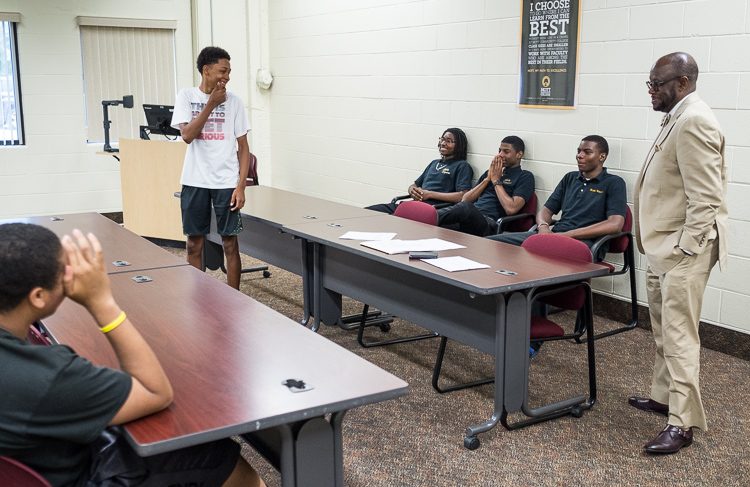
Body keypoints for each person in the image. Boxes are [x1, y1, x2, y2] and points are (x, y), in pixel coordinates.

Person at [0, 223, 265, 487]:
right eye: (63, 270)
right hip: (74, 474)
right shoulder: (47, 377)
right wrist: (101, 301)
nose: (71, 274)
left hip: (30, 463)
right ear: (37, 296)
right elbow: (154, 392)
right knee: (218, 457)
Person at [629, 52, 728, 455]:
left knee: (680, 335)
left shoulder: (695, 120)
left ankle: (682, 422)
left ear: (683, 83)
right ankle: (664, 395)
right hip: (663, 244)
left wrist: (685, 248)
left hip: (682, 249)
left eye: (658, 84)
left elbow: (706, 198)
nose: (651, 91)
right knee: (662, 329)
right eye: (650, 83)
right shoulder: (677, 115)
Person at [171, 46, 251, 290]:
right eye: (222, 71)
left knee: (230, 244)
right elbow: (187, 136)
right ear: (206, 70)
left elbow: (244, 148)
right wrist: (211, 104)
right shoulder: (186, 96)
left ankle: (234, 298)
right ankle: (198, 297)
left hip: (226, 183)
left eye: (228, 72)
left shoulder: (235, 102)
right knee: (194, 244)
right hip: (195, 181)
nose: (226, 76)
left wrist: (241, 186)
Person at [488, 135, 626, 262]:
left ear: (602, 157)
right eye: (579, 151)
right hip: (553, 235)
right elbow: (546, 211)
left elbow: (615, 224)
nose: (580, 156)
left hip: (585, 242)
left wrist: (569, 235)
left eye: (587, 152)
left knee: (540, 254)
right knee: (490, 243)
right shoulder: (570, 178)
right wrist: (542, 227)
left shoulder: (614, 183)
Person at [436, 135, 534, 237]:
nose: (500, 155)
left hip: (489, 224)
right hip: (469, 218)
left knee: (466, 208)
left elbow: (511, 209)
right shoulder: (490, 173)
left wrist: (496, 181)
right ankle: (426, 220)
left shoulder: (525, 176)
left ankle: (427, 216)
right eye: (499, 151)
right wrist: (487, 179)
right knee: (441, 229)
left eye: (506, 151)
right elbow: (465, 199)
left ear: (519, 154)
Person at [366, 128, 474, 213]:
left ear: (459, 145)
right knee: (369, 212)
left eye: (449, 141)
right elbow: (414, 185)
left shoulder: (462, 166)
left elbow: (463, 196)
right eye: (442, 139)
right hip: (414, 205)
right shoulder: (434, 163)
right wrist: (412, 190)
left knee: (392, 220)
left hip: (434, 209)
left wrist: (430, 194)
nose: (443, 143)